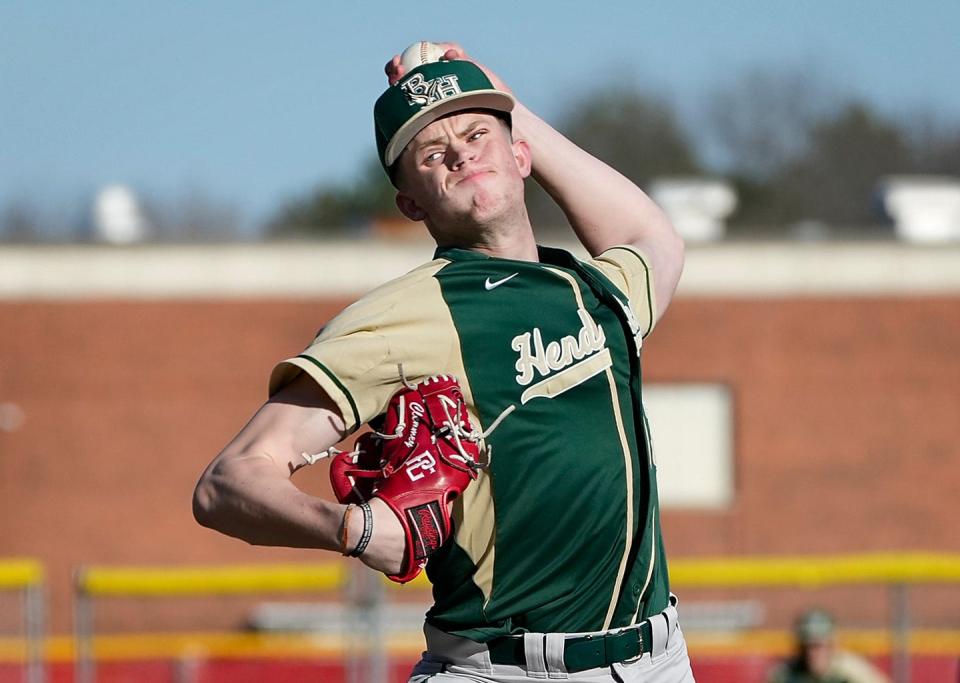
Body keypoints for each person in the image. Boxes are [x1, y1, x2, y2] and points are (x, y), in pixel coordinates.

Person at [193, 41, 692, 682]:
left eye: (477, 134)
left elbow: (654, 239)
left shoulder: (598, 294)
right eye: (431, 152)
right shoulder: (404, 313)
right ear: (411, 203)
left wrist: (496, 92)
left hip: (657, 661)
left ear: (521, 156)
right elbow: (226, 483)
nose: (459, 152)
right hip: (503, 669)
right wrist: (354, 529)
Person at [768, 610, 889, 683]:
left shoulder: (851, 671)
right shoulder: (786, 674)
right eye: (808, 647)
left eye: (819, 646)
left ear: (832, 646)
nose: (813, 654)